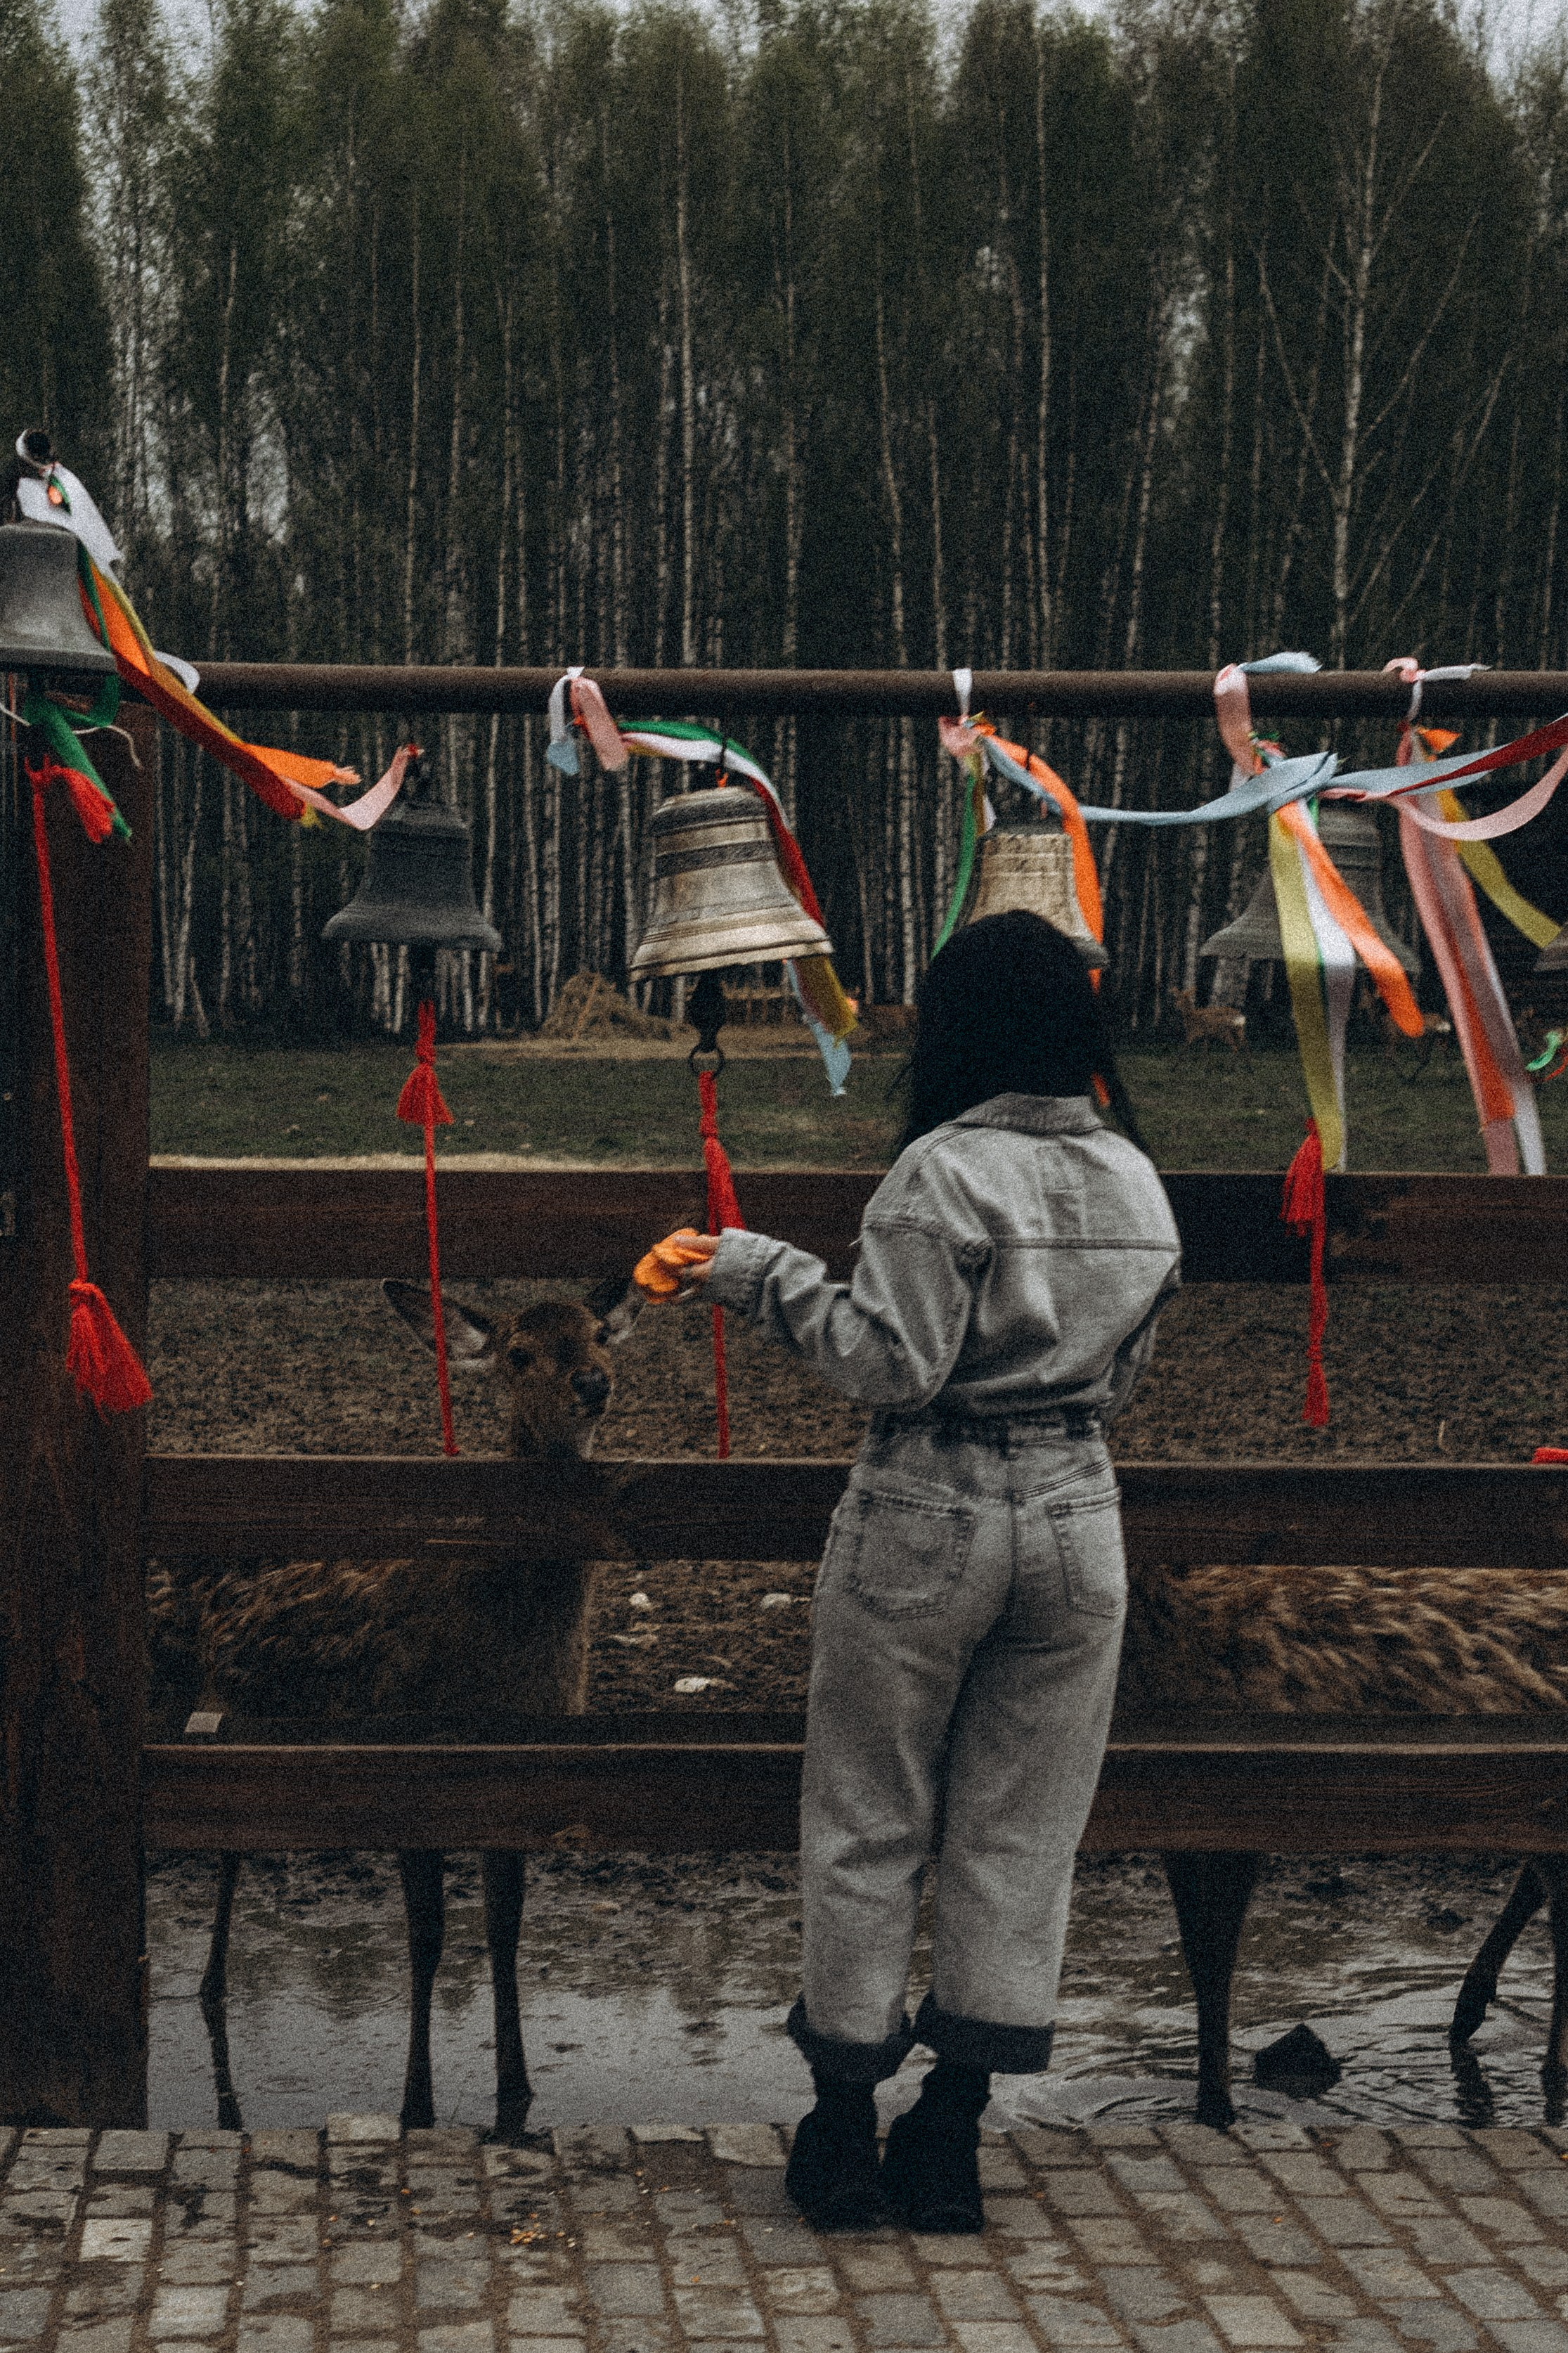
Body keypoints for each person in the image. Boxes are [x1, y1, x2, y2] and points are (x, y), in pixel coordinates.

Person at [640, 910, 1180, 2234]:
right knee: (1020, 1832)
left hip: (929, 1507)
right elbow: (1127, 1373)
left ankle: (838, 2131)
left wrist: (755, 1269)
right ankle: (949, 2136)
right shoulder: (1136, 1180)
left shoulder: (940, 1174)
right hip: (1076, 1513)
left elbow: (889, 1363)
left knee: (870, 1816)